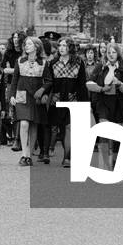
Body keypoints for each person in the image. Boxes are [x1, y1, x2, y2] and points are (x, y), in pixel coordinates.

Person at [43, 37, 87, 168]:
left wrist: (85, 104)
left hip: (72, 99)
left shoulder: (79, 62)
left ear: (70, 47)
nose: (61, 48)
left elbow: (82, 84)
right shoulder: (52, 63)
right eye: (60, 45)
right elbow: (49, 82)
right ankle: (45, 152)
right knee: (56, 128)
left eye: (64, 45)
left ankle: (67, 157)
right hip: (56, 100)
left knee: (69, 127)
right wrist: (45, 94)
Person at [86, 43, 123, 169]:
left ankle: (115, 160)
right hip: (103, 102)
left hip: (119, 103)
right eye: (109, 52)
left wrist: (119, 83)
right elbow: (89, 83)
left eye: (113, 52)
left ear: (118, 54)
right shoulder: (100, 67)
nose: (111, 55)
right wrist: (101, 88)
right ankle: (104, 161)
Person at [9, 36, 47, 166]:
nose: (26, 46)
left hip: (35, 97)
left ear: (37, 47)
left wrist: (42, 90)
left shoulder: (44, 62)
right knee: (24, 123)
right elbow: (14, 80)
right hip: (21, 96)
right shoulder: (20, 61)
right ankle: (23, 154)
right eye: (25, 44)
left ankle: (29, 156)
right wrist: (12, 96)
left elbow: (48, 81)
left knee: (33, 125)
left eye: (29, 44)